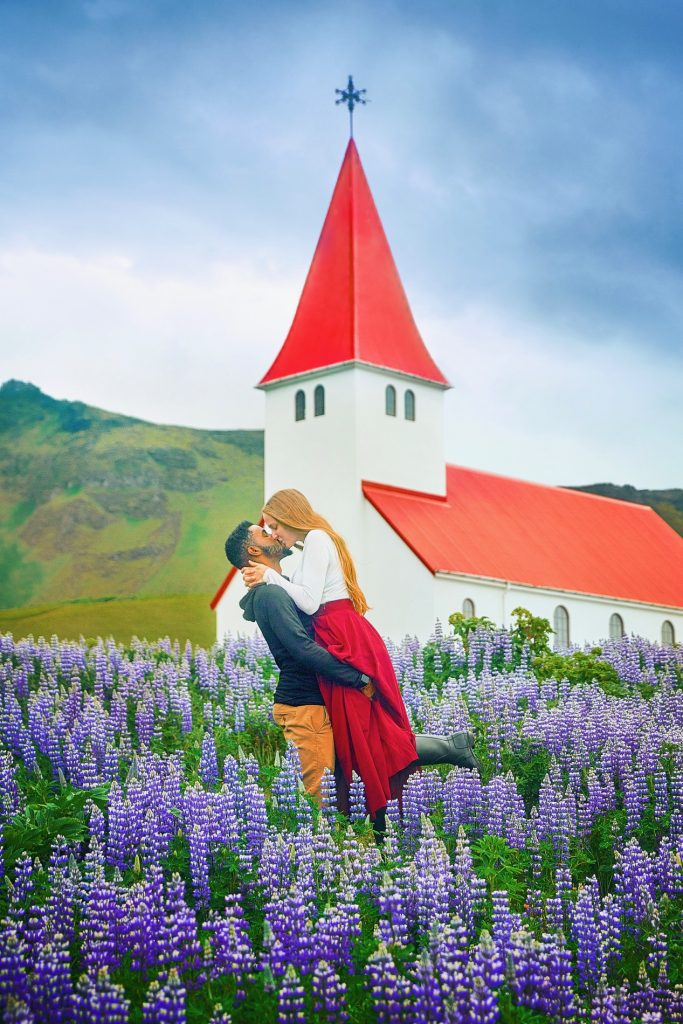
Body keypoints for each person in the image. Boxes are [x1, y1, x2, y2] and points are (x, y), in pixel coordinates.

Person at [241, 489, 478, 827]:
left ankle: (387, 821)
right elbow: (304, 599)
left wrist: (270, 575)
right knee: (362, 738)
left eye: (275, 525)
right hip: (337, 641)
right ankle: (443, 756)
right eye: (268, 529)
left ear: (292, 516)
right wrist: (269, 579)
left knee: (370, 735)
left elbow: (307, 602)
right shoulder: (310, 549)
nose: (275, 533)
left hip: (343, 640)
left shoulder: (318, 539)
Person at [225, 520, 371, 804]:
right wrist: (358, 678)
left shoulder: (281, 587)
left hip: (316, 703)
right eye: (266, 533)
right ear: (255, 549)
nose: (275, 534)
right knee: (318, 799)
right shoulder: (271, 594)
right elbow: (302, 649)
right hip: (304, 708)